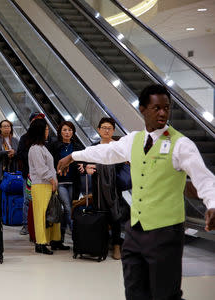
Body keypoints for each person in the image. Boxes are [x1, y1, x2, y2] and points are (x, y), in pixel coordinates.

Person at [57, 84, 215, 299]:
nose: (162, 113)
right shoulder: (134, 140)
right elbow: (107, 152)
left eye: (166, 108)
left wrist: (212, 203)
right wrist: (73, 156)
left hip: (166, 231)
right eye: (156, 108)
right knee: (134, 291)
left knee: (165, 294)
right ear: (142, 109)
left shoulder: (181, 144)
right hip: (136, 230)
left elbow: (203, 178)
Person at [84, 118, 125, 260]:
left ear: (113, 130)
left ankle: (116, 246)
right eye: (104, 127)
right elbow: (86, 164)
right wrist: (86, 168)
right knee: (100, 215)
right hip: (98, 188)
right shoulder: (94, 146)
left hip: (115, 188)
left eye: (109, 128)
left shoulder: (119, 146)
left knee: (115, 217)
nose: (106, 130)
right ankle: (100, 244)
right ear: (99, 129)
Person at [27, 118, 62, 255]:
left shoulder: (42, 148)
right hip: (41, 185)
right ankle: (40, 243)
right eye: (46, 129)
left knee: (51, 212)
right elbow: (41, 169)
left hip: (48, 184)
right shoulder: (35, 149)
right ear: (40, 131)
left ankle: (53, 240)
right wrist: (53, 181)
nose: (48, 132)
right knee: (41, 215)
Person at [48, 121, 84, 247]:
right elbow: (50, 163)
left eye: (69, 130)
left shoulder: (78, 146)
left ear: (73, 132)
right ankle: (77, 237)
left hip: (73, 182)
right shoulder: (54, 146)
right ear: (60, 132)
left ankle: (59, 239)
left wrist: (82, 166)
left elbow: (83, 162)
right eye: (64, 130)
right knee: (68, 209)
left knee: (67, 210)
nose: (67, 132)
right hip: (60, 182)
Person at [17, 112, 46, 235]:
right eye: (37, 120)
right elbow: (20, 154)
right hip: (28, 175)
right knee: (27, 200)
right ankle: (26, 225)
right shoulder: (25, 138)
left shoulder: (46, 138)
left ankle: (40, 225)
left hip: (43, 176)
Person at [0, 120, 19, 216]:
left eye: (8, 126)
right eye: (4, 126)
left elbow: (19, 153)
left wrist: (14, 153)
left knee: (10, 192)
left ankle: (9, 213)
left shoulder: (15, 140)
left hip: (12, 170)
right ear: (0, 128)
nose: (7, 128)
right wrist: (6, 152)